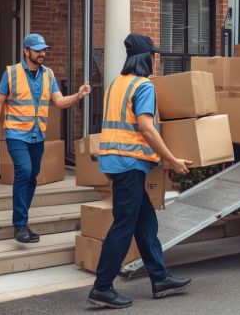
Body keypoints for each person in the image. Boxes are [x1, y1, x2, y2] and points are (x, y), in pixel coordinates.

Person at [87, 33, 193, 309]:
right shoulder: (143, 86)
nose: (154, 59)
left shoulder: (116, 84)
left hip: (115, 161)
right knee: (124, 225)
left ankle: (160, 278)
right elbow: (146, 127)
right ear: (145, 58)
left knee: (144, 221)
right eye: (152, 55)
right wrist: (170, 159)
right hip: (129, 163)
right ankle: (101, 288)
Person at [0, 33, 91, 243]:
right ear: (26, 51)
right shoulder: (12, 73)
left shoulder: (49, 75)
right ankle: (20, 224)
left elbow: (59, 102)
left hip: (37, 135)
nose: (42, 53)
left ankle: (22, 221)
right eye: (38, 50)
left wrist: (78, 95)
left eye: (44, 50)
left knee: (32, 176)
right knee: (23, 171)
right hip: (16, 134)